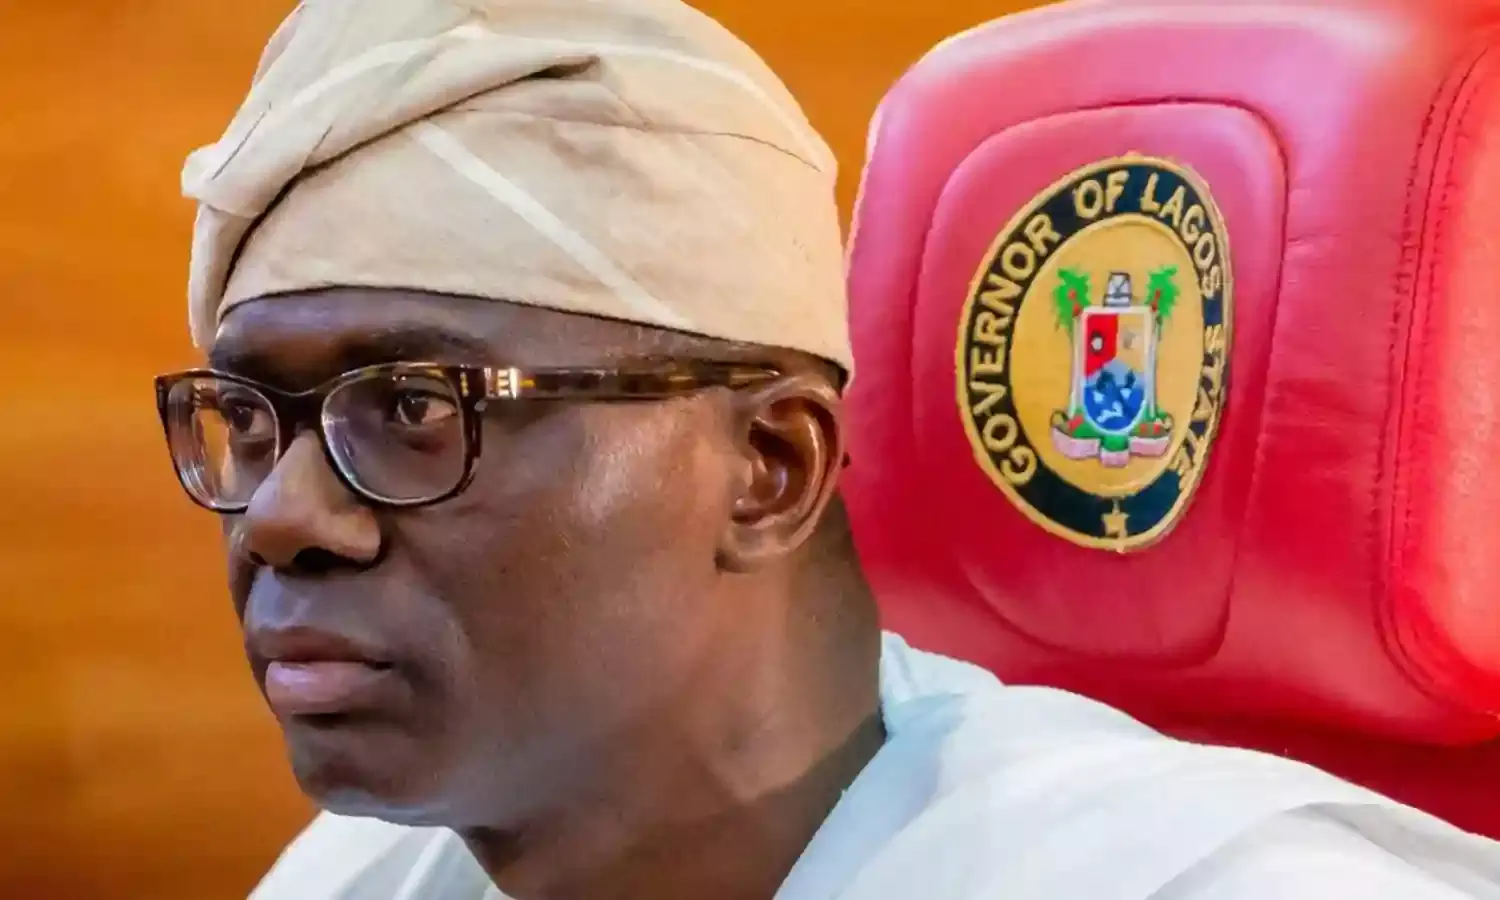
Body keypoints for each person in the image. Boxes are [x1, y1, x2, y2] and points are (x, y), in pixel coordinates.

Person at [156, 1, 1500, 898]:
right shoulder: (361, 871)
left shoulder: (1205, 884)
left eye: (414, 407)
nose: (279, 516)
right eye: (252, 421)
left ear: (771, 468)